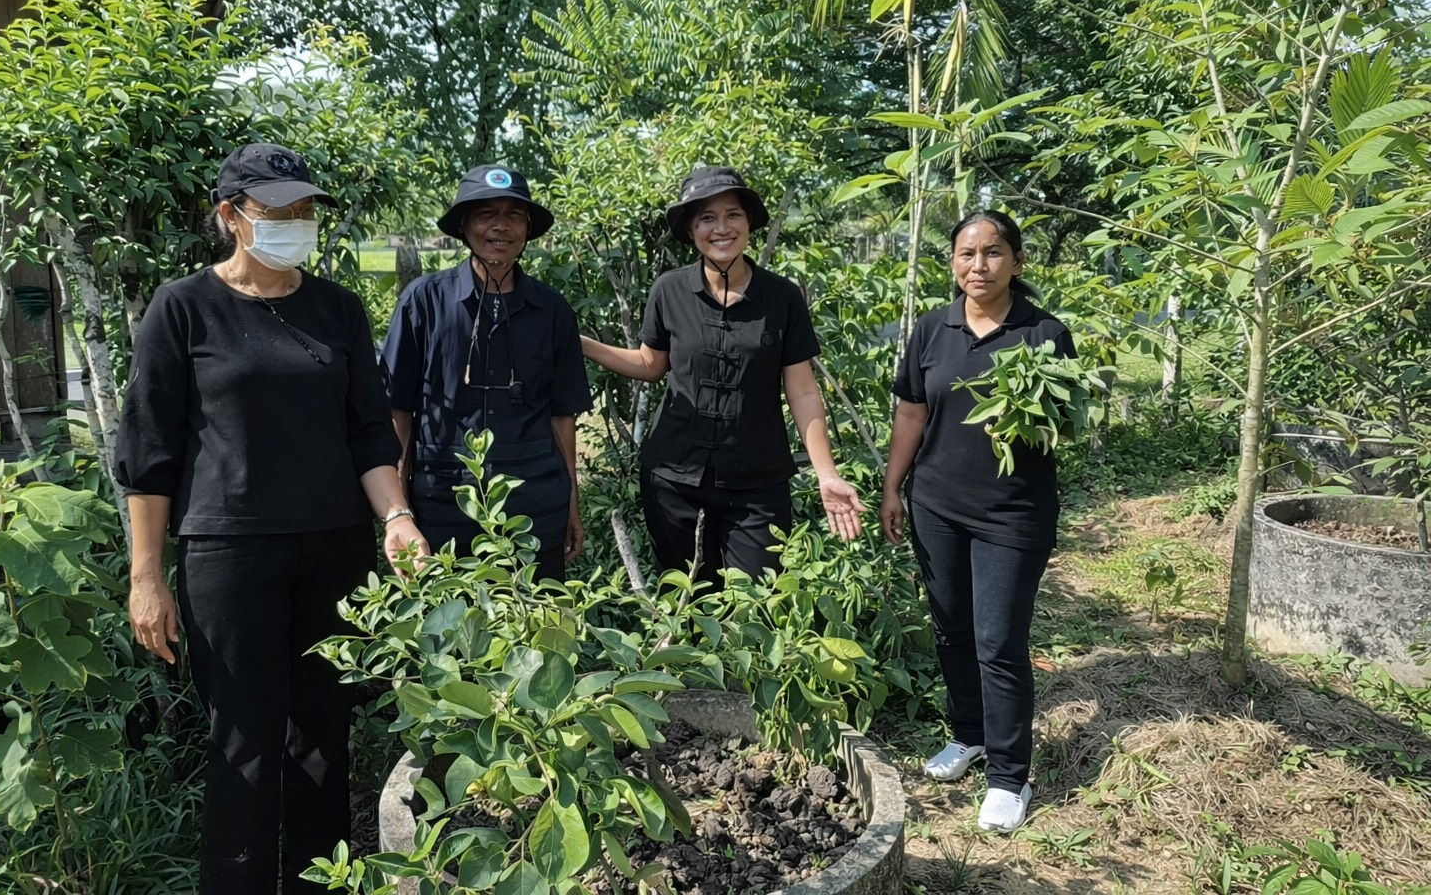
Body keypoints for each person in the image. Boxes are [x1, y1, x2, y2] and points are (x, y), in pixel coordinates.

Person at [117, 143, 422, 895]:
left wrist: (397, 518)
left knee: (324, 738)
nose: (297, 224)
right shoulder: (183, 307)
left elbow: (368, 434)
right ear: (232, 216)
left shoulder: (337, 309)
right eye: (278, 212)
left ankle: (320, 885)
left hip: (334, 549)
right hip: (229, 552)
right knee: (243, 744)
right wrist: (146, 576)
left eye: (305, 211)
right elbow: (148, 453)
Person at [879, 209, 1075, 833]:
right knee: (952, 630)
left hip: (1012, 514)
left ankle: (1009, 776)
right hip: (936, 505)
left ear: (1016, 261)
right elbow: (911, 414)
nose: (979, 266)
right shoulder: (932, 330)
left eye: (993, 253)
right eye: (966, 254)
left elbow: (1064, 423)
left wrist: (1028, 417)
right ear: (953, 262)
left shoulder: (1043, 334)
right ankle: (969, 737)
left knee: (999, 642)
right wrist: (893, 487)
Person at [581, 165, 863, 584]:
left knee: (753, 608)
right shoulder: (668, 290)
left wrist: (827, 473)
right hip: (672, 478)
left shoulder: (781, 297)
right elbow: (650, 364)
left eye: (733, 214)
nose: (721, 228)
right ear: (692, 229)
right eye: (706, 218)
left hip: (757, 483)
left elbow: (802, 390)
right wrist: (580, 343)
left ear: (749, 222)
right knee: (684, 604)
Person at [380, 164, 591, 579]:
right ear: (464, 225)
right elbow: (398, 411)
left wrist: (571, 500)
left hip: (535, 505)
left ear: (528, 228)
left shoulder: (553, 311)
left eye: (513, 215)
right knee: (448, 636)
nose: (500, 227)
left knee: (540, 629)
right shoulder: (423, 302)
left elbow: (562, 415)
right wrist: (398, 508)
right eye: (486, 214)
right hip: (443, 503)